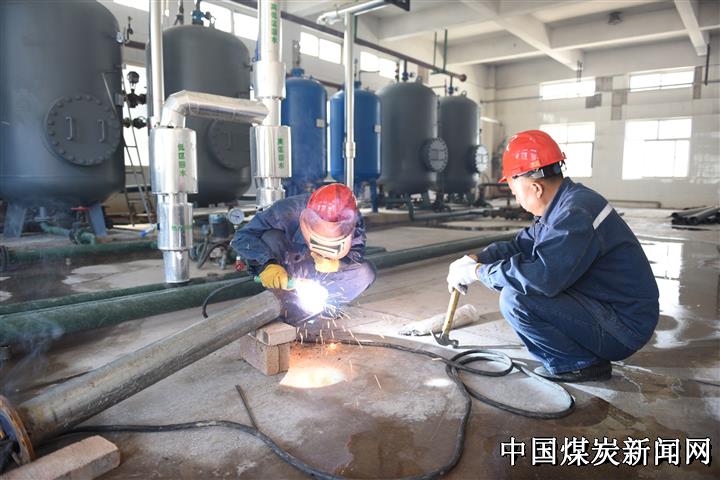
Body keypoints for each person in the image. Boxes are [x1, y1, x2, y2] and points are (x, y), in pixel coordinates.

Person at [447, 130, 659, 382]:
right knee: (521, 290)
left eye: (515, 192)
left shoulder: (574, 213)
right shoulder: (565, 204)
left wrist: (479, 273)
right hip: (610, 309)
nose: (516, 199)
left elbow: (541, 278)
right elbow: (521, 245)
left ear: (536, 187)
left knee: (517, 299)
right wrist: (475, 258)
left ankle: (578, 365)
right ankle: (580, 356)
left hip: (623, 327)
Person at [232, 183, 376, 324]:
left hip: (322, 275)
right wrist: (268, 264)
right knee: (271, 237)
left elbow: (356, 254)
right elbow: (242, 237)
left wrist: (338, 264)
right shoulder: (287, 211)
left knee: (366, 272)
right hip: (288, 266)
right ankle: (285, 302)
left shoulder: (352, 219)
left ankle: (326, 305)